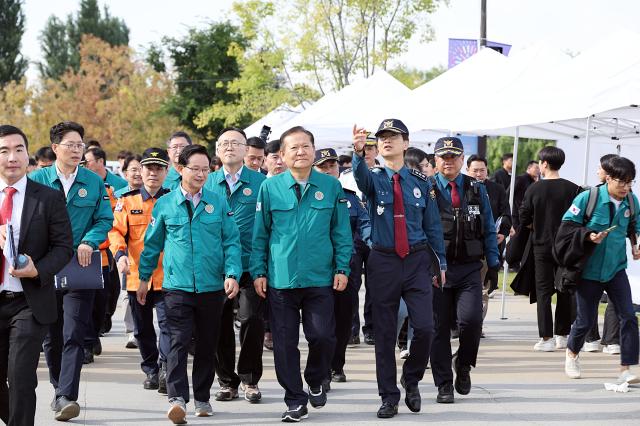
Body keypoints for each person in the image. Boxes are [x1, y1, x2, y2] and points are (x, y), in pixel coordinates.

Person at [251, 126, 352, 422]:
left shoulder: (330, 187)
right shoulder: (269, 188)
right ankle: (295, 399)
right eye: (293, 148)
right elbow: (261, 234)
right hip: (281, 279)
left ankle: (317, 377)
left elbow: (341, 231)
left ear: (313, 150)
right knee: (284, 344)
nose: (300, 152)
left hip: (320, 277)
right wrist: (258, 270)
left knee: (322, 336)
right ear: (281, 155)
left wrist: (342, 267)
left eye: (305, 146)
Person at [138, 144, 241, 424]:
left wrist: (232, 273)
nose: (200, 174)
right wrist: (144, 278)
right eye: (194, 168)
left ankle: (203, 397)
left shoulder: (218, 202)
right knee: (177, 342)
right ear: (180, 169)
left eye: (205, 169)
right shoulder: (165, 204)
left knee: (207, 344)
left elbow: (231, 240)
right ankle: (177, 399)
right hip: (176, 287)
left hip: (211, 287)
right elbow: (151, 245)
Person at [352, 120, 446, 418]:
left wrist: (440, 263)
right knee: (384, 333)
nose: (386, 141)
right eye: (381, 138)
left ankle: (411, 377)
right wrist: (357, 153)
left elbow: (432, 227)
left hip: (417, 260)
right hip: (384, 261)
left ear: (406, 143)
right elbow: (360, 176)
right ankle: (389, 396)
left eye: (393, 137)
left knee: (426, 327)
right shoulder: (373, 178)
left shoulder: (421, 182)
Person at [30, 121, 113, 422]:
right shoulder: (37, 181)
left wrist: (90, 241)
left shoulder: (93, 182)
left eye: (81, 145)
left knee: (74, 332)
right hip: (45, 269)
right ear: (55, 148)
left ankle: (67, 394)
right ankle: (57, 387)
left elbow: (104, 220)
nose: (77, 150)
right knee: (51, 336)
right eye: (71, 145)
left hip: (81, 267)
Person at [0, 125, 74, 426]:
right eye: (4, 151)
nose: (12, 157)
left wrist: (38, 269)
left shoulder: (47, 198)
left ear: (28, 154)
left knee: (20, 376)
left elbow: (64, 247)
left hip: (28, 301)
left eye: (18, 149)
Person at [429, 137, 499, 405]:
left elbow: (489, 226)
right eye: (443, 156)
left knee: (471, 321)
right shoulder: (427, 188)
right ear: (436, 160)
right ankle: (444, 383)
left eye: (453, 156)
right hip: (437, 269)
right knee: (439, 328)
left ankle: (464, 365)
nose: (448, 161)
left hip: (470, 268)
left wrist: (493, 263)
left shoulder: (476, 188)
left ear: (462, 160)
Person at [563, 155, 640, 383]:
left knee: (628, 315)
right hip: (588, 271)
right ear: (608, 178)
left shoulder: (632, 202)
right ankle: (572, 354)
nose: (626, 187)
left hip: (616, 269)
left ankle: (626, 369)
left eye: (630, 182)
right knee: (585, 321)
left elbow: (635, 225)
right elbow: (567, 226)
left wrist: (636, 244)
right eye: (621, 182)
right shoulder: (589, 198)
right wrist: (588, 235)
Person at [206, 127, 266, 404]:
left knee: (252, 319)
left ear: (247, 150)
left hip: (250, 265)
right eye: (224, 143)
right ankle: (227, 381)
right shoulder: (206, 182)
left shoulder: (262, 183)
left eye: (236, 143)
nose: (230, 147)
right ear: (217, 150)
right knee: (218, 324)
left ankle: (250, 379)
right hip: (215, 267)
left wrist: (262, 268)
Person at [109, 147, 172, 394]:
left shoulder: (175, 199)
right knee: (143, 328)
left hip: (170, 277)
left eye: (159, 168)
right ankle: (151, 370)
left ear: (167, 172)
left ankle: (167, 367)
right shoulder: (127, 201)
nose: (153, 173)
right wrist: (120, 255)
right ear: (141, 171)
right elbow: (115, 231)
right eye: (149, 168)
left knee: (169, 326)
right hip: (138, 277)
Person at [312, 147, 371, 386]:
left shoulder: (350, 197)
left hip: (347, 268)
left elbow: (365, 225)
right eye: (322, 167)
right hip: (317, 270)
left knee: (344, 319)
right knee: (321, 324)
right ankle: (321, 369)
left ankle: (337, 365)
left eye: (332, 166)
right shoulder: (307, 195)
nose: (328, 170)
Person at [520, 146, 580, 352]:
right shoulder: (574, 189)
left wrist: (536, 225)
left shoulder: (534, 189)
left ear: (544, 164)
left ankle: (546, 338)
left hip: (542, 246)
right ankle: (562, 334)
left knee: (543, 292)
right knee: (565, 288)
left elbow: (524, 218)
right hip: (566, 247)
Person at [466, 155, 512, 334]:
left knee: (483, 290)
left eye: (482, 170)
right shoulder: (461, 187)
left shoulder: (497, 189)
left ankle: (477, 325)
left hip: (488, 246)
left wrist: (503, 233)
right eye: (475, 170)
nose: (478, 174)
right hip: (464, 247)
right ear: (468, 170)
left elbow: (506, 214)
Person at [340, 133, 378, 346]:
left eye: (371, 149)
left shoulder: (383, 174)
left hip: (376, 234)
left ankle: (370, 328)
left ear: (376, 151)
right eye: (364, 149)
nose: (367, 153)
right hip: (353, 235)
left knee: (374, 284)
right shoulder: (345, 176)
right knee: (351, 284)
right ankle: (352, 329)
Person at [583, 153, 621, 354]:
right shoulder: (590, 195)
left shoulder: (628, 199)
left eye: (600, 168)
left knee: (616, 297)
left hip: (615, 259)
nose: (597, 171)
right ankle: (591, 339)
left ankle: (612, 340)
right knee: (590, 298)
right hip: (591, 257)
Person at [511, 161, 539, 228]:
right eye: (536, 168)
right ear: (529, 168)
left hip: (527, 217)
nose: (539, 170)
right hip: (516, 216)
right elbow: (509, 194)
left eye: (539, 168)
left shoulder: (534, 182)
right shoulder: (520, 179)